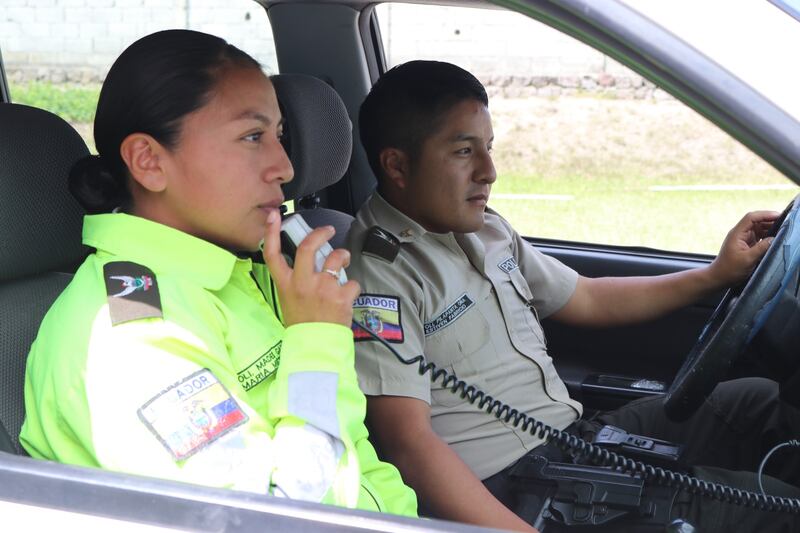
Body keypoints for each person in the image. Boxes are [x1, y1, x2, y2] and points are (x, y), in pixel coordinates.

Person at [346, 60, 800, 531]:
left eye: (489, 147)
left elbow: (586, 297)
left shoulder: (486, 229)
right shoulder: (379, 276)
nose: (490, 171)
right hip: (519, 489)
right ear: (397, 165)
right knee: (776, 514)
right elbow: (408, 444)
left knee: (760, 404)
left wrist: (715, 275)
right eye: (464, 151)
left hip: (572, 441)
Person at [19, 29, 416, 517]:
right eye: (252, 137)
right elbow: (278, 520)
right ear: (148, 162)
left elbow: (353, 460)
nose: (285, 166)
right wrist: (316, 340)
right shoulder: (132, 339)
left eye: (280, 135)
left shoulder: (251, 275)